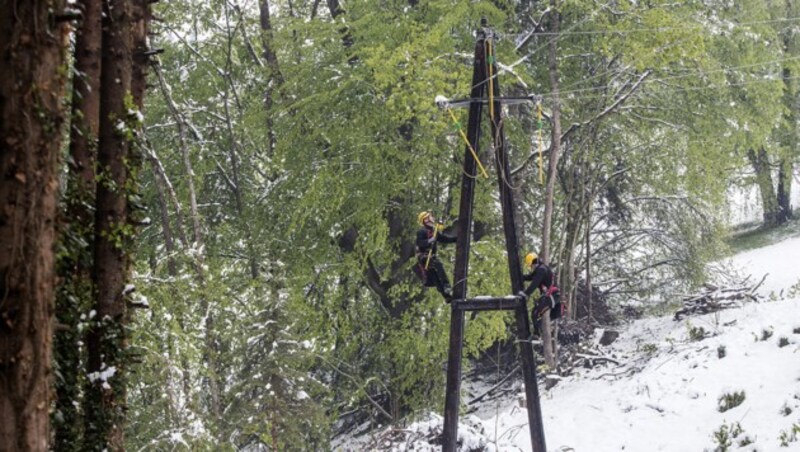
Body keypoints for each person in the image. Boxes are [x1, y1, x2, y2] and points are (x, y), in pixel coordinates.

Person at [414, 211, 456, 301]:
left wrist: (456, 239)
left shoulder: (434, 231)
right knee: (439, 266)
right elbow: (420, 242)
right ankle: (446, 286)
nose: (432, 218)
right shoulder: (422, 231)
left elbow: (444, 239)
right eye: (430, 217)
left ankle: (447, 296)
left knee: (435, 277)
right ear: (425, 220)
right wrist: (429, 241)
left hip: (430, 256)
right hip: (424, 257)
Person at [519, 252, 561, 336]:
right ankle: (537, 333)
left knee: (535, 313)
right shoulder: (540, 269)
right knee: (535, 313)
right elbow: (531, 277)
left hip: (552, 296)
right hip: (551, 296)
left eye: (531, 265)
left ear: (534, 262)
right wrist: (521, 277)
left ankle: (537, 334)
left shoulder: (541, 270)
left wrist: (526, 293)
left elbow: (535, 283)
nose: (531, 267)